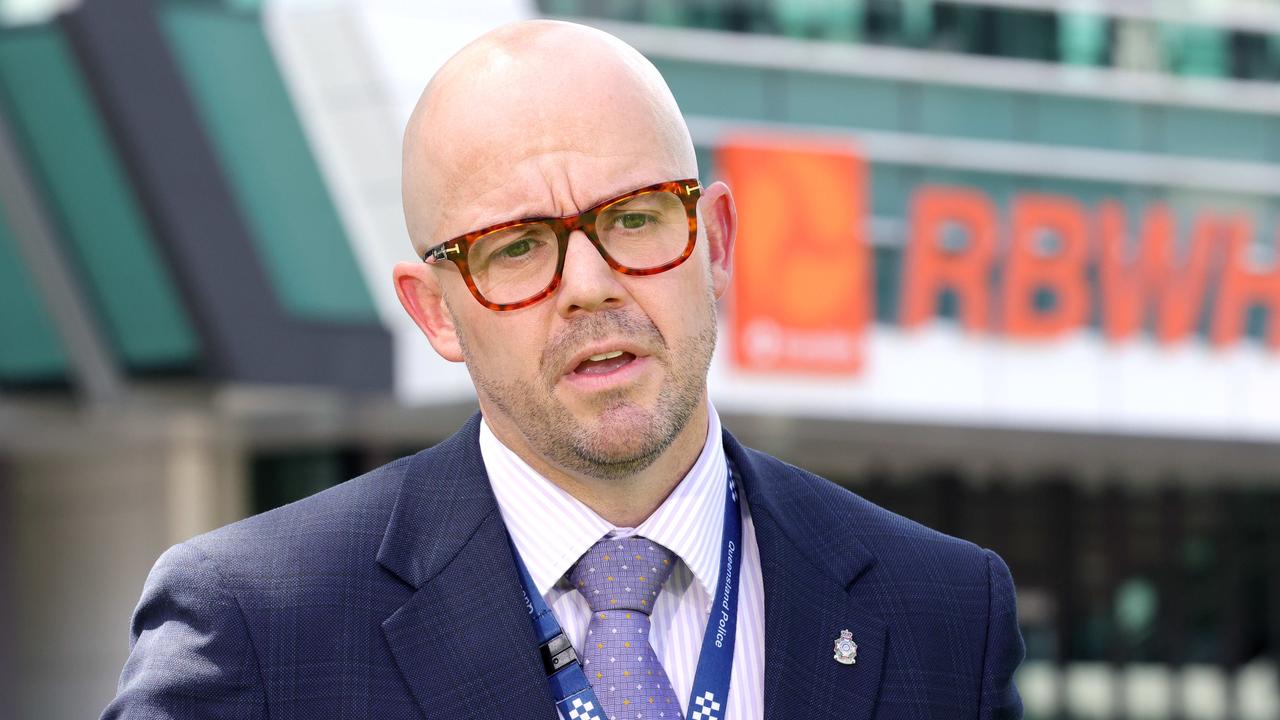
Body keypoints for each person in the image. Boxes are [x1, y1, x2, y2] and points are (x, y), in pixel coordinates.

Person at [102, 19, 1023, 720]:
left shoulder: (946, 611)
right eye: (515, 248)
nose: (589, 286)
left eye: (633, 219)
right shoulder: (260, 625)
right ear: (435, 311)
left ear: (716, 243)